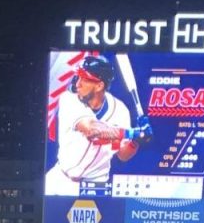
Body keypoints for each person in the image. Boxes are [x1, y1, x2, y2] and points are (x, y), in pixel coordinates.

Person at [45, 54, 152, 197]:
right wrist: (133, 133)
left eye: (84, 79)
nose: (78, 84)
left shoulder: (120, 111)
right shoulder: (69, 100)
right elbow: (91, 129)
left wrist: (136, 141)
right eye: (78, 77)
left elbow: (123, 155)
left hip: (97, 186)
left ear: (99, 85)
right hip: (60, 180)